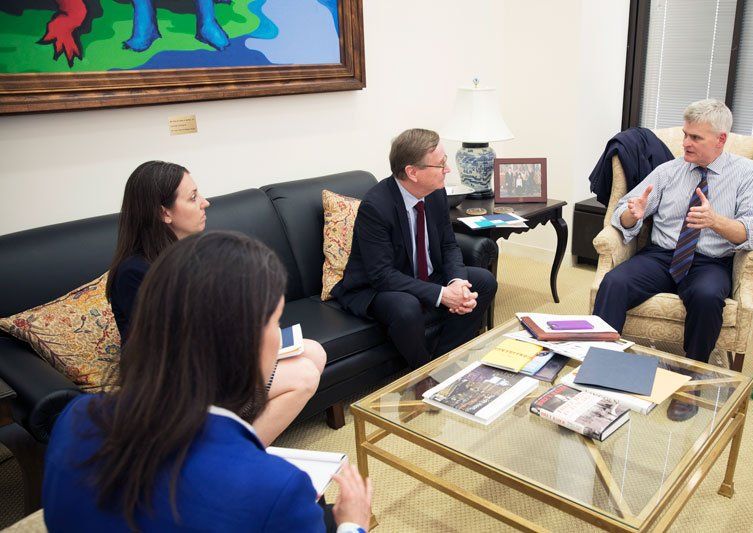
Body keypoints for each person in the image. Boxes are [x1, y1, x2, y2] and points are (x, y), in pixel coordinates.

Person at [44, 232, 372, 532]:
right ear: (242, 342)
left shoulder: (74, 418)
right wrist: (352, 524)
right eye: (275, 321)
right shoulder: (277, 488)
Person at [106, 161, 327, 444]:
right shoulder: (134, 273)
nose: (205, 203)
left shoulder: (188, 251)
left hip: (213, 362)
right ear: (164, 213)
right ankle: (238, 455)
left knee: (314, 352)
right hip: (181, 386)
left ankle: (231, 433)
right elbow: (170, 350)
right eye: (193, 197)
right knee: (304, 376)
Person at [592, 99, 753, 421]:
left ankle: (690, 381)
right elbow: (623, 214)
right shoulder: (668, 171)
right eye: (686, 134)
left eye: (696, 138)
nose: (685, 143)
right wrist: (633, 216)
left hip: (710, 261)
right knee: (614, 282)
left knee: (707, 296)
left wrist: (717, 222)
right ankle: (602, 371)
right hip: (660, 255)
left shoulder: (746, 174)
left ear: (721, 140)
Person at [332, 128, 497, 369]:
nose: (447, 170)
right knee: (406, 308)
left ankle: (443, 363)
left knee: (482, 281)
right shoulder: (376, 207)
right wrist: (442, 295)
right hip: (377, 287)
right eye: (440, 165)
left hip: (422, 275)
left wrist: (457, 283)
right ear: (412, 172)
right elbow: (382, 276)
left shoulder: (436, 193)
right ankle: (422, 373)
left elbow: (449, 244)